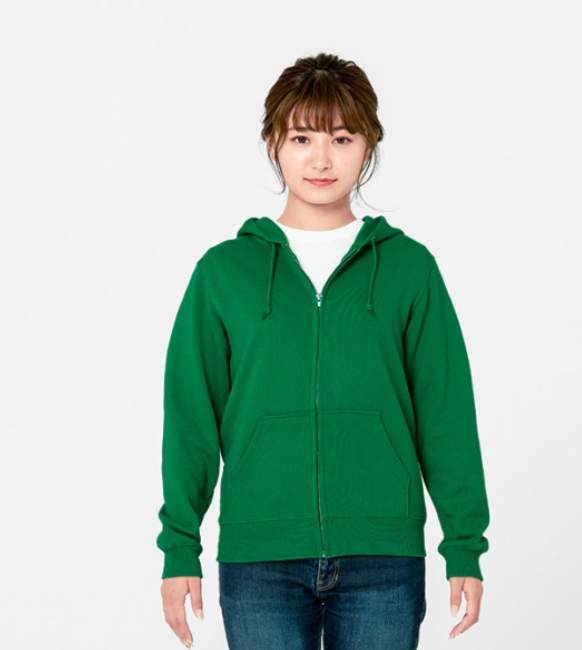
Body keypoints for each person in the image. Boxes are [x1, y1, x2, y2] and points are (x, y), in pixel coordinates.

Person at [157, 52, 490, 649]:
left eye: (341, 137)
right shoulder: (224, 272)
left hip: (382, 556)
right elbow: (191, 417)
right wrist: (180, 546)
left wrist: (464, 544)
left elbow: (446, 414)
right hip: (260, 559)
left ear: (368, 144)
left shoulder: (409, 268)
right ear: (273, 143)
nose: (321, 159)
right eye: (301, 137)